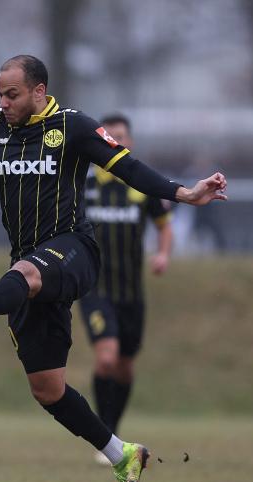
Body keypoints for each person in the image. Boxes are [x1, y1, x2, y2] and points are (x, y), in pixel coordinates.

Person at [0, 55, 226, 482]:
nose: (3, 103)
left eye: (12, 94)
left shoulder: (72, 127)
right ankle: (123, 454)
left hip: (73, 250)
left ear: (39, 91)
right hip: (25, 266)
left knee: (27, 274)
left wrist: (185, 192)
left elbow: (129, 168)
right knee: (47, 389)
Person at [79, 114, 173, 463]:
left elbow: (164, 225)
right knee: (106, 358)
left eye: (122, 137)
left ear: (129, 143)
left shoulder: (141, 186)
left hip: (132, 292)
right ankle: (106, 439)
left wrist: (163, 254)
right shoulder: (84, 186)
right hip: (94, 288)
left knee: (124, 366)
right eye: (110, 137)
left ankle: (112, 434)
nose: (116, 143)